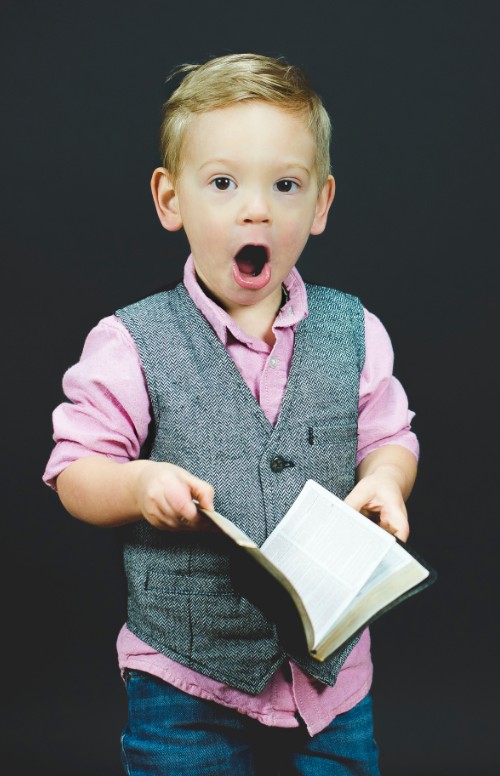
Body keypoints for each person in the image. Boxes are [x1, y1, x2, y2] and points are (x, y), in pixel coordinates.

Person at [43, 53, 419, 775]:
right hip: (185, 679)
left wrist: (388, 480)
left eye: (286, 185)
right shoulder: (131, 342)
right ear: (170, 200)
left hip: (330, 682)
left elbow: (390, 435)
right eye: (223, 183)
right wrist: (137, 485)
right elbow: (73, 471)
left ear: (320, 204)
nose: (257, 209)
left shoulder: (355, 330)